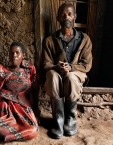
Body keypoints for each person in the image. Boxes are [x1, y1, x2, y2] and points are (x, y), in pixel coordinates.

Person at [42, 3, 92, 139]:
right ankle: (58, 120)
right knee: (51, 75)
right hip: (57, 73)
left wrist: (72, 68)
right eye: (63, 15)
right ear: (58, 18)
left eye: (70, 14)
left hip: (75, 74)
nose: (67, 17)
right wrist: (56, 67)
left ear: (75, 16)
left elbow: (87, 65)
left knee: (70, 77)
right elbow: (46, 64)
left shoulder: (84, 39)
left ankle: (70, 120)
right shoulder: (49, 40)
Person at [0, 41, 39, 142]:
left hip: (23, 107)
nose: (14, 55)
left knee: (33, 130)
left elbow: (34, 90)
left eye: (17, 53)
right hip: (5, 106)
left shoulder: (29, 70)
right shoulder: (3, 70)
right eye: (11, 53)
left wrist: (36, 111)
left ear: (23, 55)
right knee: (1, 111)